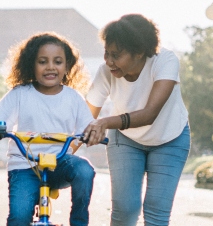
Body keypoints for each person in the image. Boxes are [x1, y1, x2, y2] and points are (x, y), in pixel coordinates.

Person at [82, 14, 191, 226]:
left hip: (170, 139)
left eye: (116, 55)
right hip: (126, 140)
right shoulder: (106, 72)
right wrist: (60, 155)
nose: (109, 61)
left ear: (139, 52)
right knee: (125, 210)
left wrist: (105, 122)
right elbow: (86, 120)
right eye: (106, 53)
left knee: (156, 212)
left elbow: (150, 114)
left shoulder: (165, 61)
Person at [0, 32, 96, 226]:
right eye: (42, 62)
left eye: (58, 62)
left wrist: (93, 134)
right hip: (25, 164)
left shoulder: (73, 98)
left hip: (59, 163)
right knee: (19, 217)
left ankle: (79, 222)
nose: (50, 67)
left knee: (84, 170)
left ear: (67, 66)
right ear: (31, 65)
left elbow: (88, 128)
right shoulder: (20, 94)